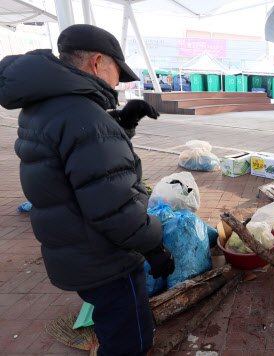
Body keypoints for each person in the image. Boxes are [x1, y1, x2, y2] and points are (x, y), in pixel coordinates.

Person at [0, 24, 175, 356]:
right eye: (116, 73)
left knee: (114, 328)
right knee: (130, 342)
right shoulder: (83, 116)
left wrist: (122, 124)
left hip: (75, 249)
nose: (116, 83)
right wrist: (153, 246)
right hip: (104, 257)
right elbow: (114, 206)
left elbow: (87, 167)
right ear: (97, 62)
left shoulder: (47, 105)